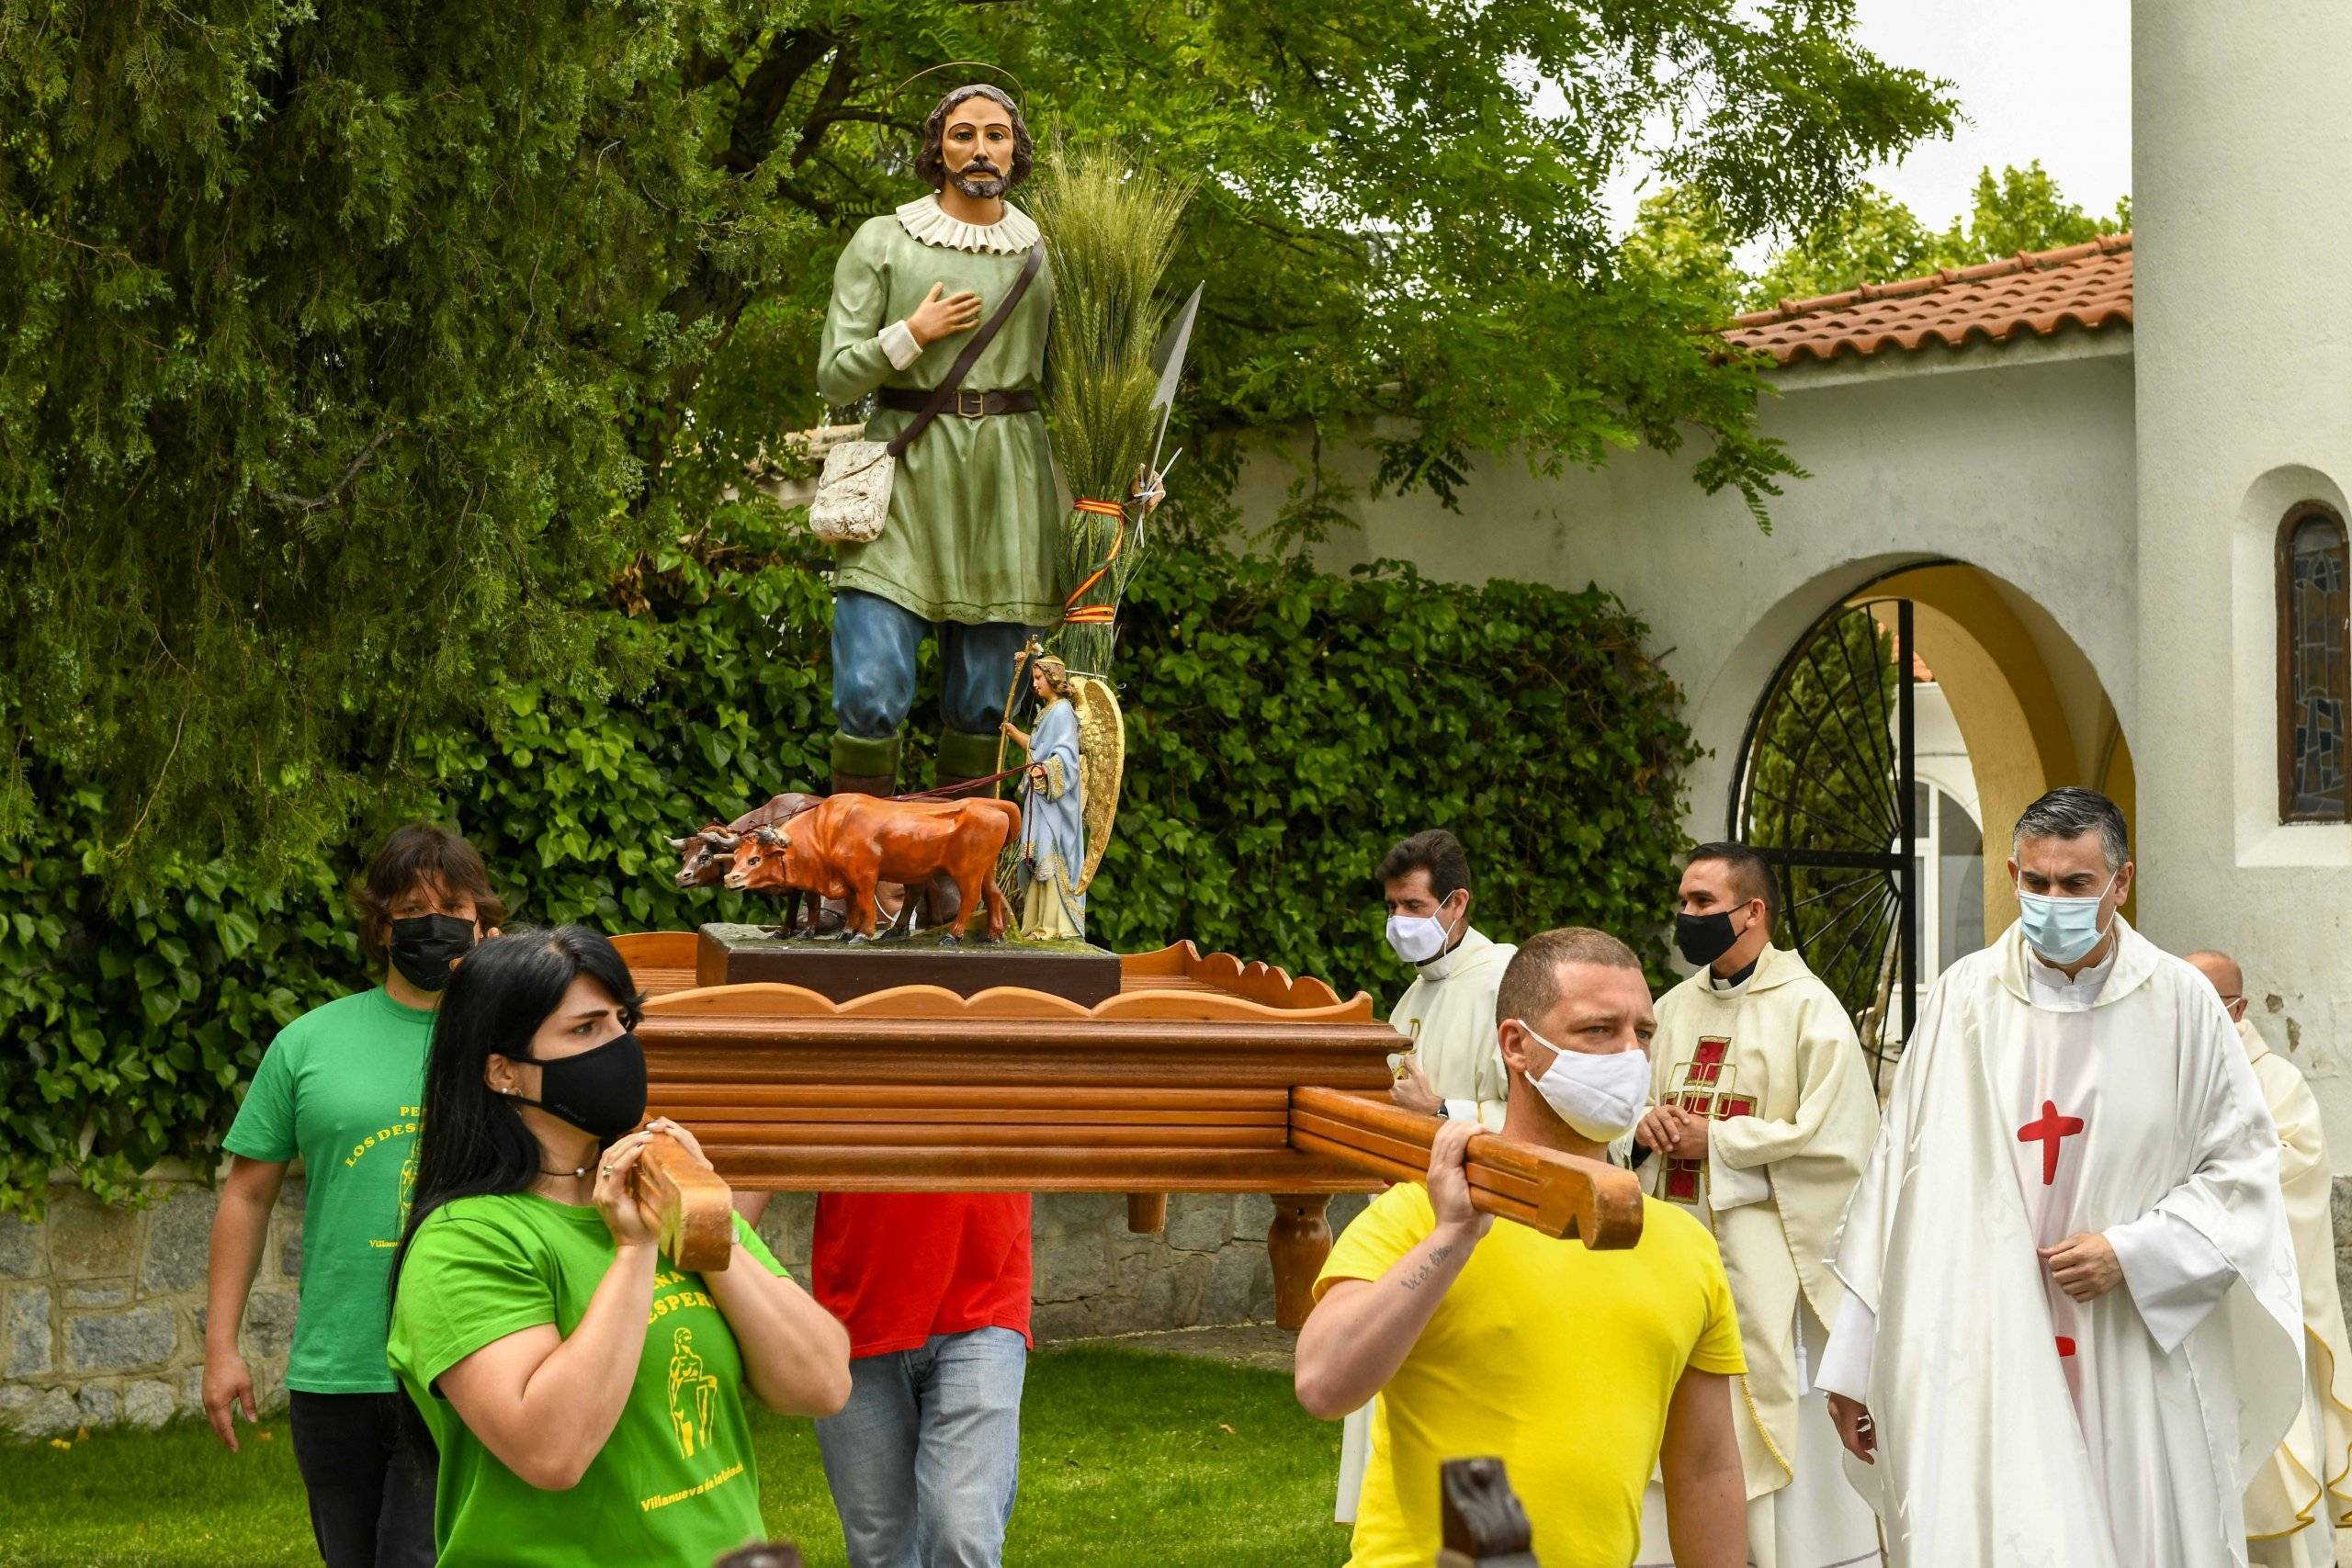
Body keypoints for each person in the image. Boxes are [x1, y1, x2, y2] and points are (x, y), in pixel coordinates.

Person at [1820, 787, 2302, 1567]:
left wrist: (2135, 1252)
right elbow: (1896, 1188)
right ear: (2011, 871)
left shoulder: (2184, 1005)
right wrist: (1855, 1360)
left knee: (2138, 1533)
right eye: (2036, 881)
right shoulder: (1959, 1001)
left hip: (2132, 1347)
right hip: (1985, 1346)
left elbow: (2244, 1170)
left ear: (2121, 881)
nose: (2052, 900)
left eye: (2076, 884)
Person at [386, 927, 850, 1566]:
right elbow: (552, 1449)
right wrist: (633, 1253)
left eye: (622, 1021)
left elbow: (822, 1381)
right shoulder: (465, 1242)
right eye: (584, 1030)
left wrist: (705, 1221)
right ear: (502, 1070)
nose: (619, 1047)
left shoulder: (666, 1189)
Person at [1295, 926, 1749, 1568]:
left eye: (1642, 1033)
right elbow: (1323, 1383)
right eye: (1599, 1030)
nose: (1630, 1054)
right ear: (1517, 1045)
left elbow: (1704, 1467)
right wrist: (1454, 1237)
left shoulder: (1682, 1243)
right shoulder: (1419, 1212)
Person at [203, 822, 503, 1568]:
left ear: (484, 921)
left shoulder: (513, 1046)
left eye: (452, 908)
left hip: (459, 1362)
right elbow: (246, 1194)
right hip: (333, 1368)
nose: (433, 927)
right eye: (412, 911)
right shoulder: (308, 1043)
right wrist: (219, 1346)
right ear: (380, 925)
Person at [1631, 843, 1882, 1568]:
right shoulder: (1670, 1009)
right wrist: (1643, 1131)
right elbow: (1625, 1111)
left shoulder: (1811, 1010)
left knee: (1754, 1404)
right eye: (1683, 901)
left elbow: (1839, 1145)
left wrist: (1718, 1142)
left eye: (1703, 903)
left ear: (1754, 911)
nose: (1687, 915)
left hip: (1762, 1260)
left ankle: (1777, 1554)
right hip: (1666, 1242)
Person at [817, 82, 1053, 817]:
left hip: (1006, 485)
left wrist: (1123, 476)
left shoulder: (1044, 256)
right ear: (936, 148)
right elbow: (833, 376)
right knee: (868, 685)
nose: (980, 149)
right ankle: (858, 871)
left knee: (987, 702)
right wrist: (911, 333)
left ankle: (957, 885)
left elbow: (1077, 386)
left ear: (1016, 148)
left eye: (995, 134)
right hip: (903, 473)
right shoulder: (883, 240)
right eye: (962, 134)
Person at [1334, 828, 1519, 1524]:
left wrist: (1444, 1111)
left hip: (1484, 1228)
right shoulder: (1413, 998)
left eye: (1414, 906)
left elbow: (1550, 1117)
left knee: (1464, 1405)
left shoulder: (1507, 981)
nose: (1399, 923)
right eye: (1392, 906)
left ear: (1458, 902)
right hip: (1410, 1225)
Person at [2187, 949, 2352, 1568]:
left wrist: (2208, 1188)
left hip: (2259, 1299)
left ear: (2240, 1007)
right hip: (2192, 1306)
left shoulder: (2277, 1079)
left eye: (2211, 1000)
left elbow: (2303, 1164)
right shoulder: (2167, 1068)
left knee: (2272, 1453)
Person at [807, 1184, 1033, 1568]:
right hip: (856, 1315)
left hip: (984, 1298)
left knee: (962, 1533)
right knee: (879, 1550)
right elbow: (771, 1136)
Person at [1002, 652, 1085, 940]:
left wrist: (1046, 771)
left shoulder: (1063, 711)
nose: (1035, 684)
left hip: (1054, 802)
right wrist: (1014, 733)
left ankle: (1053, 926)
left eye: (1038, 678)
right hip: (1039, 798)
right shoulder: (1046, 711)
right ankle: (1035, 922)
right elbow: (1037, 750)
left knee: (1049, 857)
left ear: (1052, 678)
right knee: (1036, 857)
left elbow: (1066, 758)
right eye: (1033, 678)